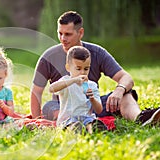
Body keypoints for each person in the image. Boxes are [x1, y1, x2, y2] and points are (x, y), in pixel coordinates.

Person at [30, 10, 160, 126]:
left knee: (126, 94)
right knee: (49, 106)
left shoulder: (97, 53)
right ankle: (74, 124)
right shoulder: (49, 57)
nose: (63, 39)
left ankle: (142, 119)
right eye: (60, 33)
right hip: (62, 107)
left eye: (68, 34)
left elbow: (126, 78)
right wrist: (37, 121)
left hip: (92, 105)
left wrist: (119, 90)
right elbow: (36, 91)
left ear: (80, 33)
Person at [50, 46, 106, 134]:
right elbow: (51, 89)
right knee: (72, 123)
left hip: (86, 117)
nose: (82, 72)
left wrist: (92, 99)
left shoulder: (92, 85)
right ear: (68, 67)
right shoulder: (66, 82)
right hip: (68, 118)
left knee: (90, 121)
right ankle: (75, 129)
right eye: (78, 69)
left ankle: (93, 129)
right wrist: (73, 80)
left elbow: (99, 110)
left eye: (86, 69)